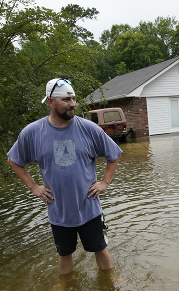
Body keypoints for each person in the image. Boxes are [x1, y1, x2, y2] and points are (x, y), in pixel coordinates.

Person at [7, 78, 122, 275]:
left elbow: (115, 154)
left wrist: (104, 182)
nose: (73, 104)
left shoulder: (88, 128)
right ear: (50, 102)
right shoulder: (33, 132)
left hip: (89, 207)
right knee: (64, 253)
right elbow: (14, 160)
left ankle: (110, 281)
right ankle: (66, 285)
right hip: (58, 210)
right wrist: (34, 188)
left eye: (74, 99)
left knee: (100, 248)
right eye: (66, 100)